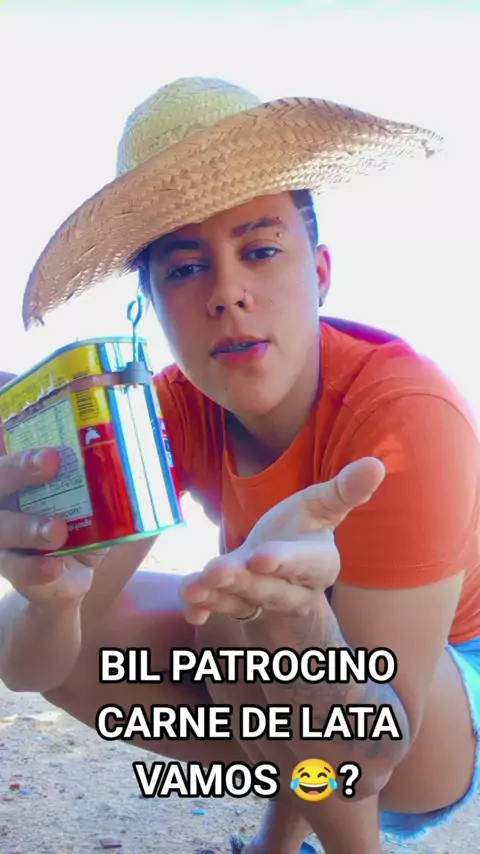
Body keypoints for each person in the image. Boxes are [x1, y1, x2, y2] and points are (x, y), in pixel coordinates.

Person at [1, 76, 480, 854]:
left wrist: (301, 625)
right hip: (297, 697)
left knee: (250, 610)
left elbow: (380, 748)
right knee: (225, 603)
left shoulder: (405, 415)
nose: (227, 293)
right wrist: (52, 597)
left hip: (438, 715)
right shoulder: (166, 412)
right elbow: (32, 666)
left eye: (260, 251)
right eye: (185, 268)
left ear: (319, 272)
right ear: (150, 305)